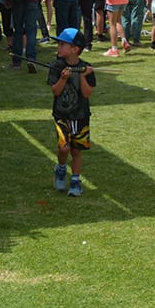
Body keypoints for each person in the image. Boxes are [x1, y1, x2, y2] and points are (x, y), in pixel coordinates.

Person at [48, 28, 96, 198]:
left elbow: (87, 93)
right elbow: (55, 91)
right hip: (62, 114)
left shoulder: (86, 68)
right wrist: (63, 78)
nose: (58, 47)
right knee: (64, 147)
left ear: (75, 49)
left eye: (62, 44)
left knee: (76, 151)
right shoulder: (56, 66)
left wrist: (83, 75)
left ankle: (75, 181)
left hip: (81, 115)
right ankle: (61, 169)